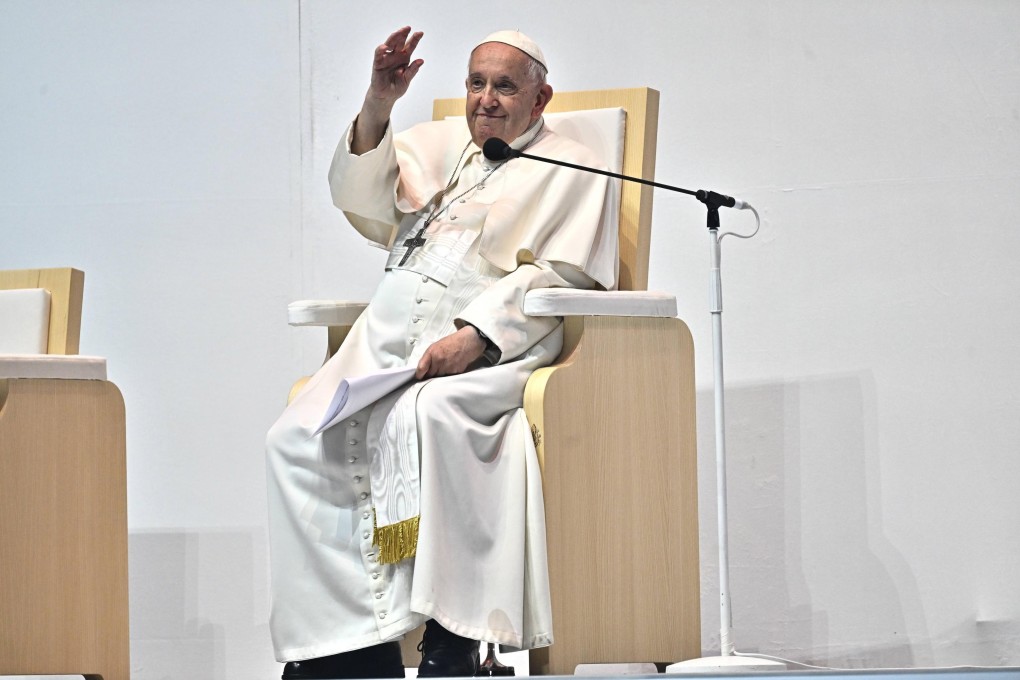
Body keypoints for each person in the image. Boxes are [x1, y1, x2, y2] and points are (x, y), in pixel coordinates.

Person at [265, 26, 617, 679]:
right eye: (476, 83)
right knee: (292, 438)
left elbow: (561, 278)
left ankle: (453, 641)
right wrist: (378, 102)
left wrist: (477, 336)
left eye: (504, 86)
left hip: (491, 352)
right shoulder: (436, 146)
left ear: (540, 100)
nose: (485, 98)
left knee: (432, 419)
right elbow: (359, 199)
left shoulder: (574, 168)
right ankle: (347, 649)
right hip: (385, 345)